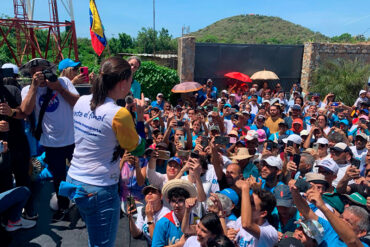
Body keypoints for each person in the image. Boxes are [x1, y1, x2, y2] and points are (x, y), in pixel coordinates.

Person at [65, 56, 145, 247]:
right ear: (124, 82)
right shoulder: (119, 113)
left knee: (95, 237)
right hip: (99, 189)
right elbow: (138, 147)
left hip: (75, 180)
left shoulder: (81, 101)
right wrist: (140, 118)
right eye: (131, 79)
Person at [20, 58, 80, 221]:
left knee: (81, 175)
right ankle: (63, 207)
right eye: (35, 73)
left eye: (43, 71)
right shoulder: (27, 89)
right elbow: (25, 110)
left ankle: (83, 205)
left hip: (74, 139)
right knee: (58, 178)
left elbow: (78, 103)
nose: (40, 76)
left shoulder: (64, 81)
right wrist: (34, 86)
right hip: (51, 143)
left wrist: (59, 88)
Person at [290, 182, 369, 247]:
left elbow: (352, 241)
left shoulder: (363, 245)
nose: (341, 221)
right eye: (341, 217)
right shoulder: (330, 229)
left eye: (348, 221)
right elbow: (307, 212)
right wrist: (295, 193)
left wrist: (323, 207)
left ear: (361, 233)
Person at [227, 179, 278, 247]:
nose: (247, 204)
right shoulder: (240, 220)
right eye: (249, 200)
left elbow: (246, 225)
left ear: (263, 213)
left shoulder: (270, 232)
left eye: (252, 203)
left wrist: (245, 188)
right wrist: (229, 235)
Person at [152, 179, 197, 247]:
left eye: (180, 200)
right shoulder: (162, 223)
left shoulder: (196, 219)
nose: (176, 205)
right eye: (173, 201)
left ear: (188, 200)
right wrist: (179, 245)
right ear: (169, 201)